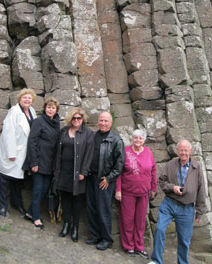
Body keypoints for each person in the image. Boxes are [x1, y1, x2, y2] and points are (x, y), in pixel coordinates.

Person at [148, 140, 206, 264]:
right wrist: (172, 187)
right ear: (177, 151)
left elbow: (201, 189)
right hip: (169, 203)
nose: (183, 153)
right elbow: (162, 182)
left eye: (186, 150)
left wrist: (199, 212)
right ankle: (156, 260)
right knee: (159, 229)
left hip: (187, 207)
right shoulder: (170, 164)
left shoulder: (196, 167)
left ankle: (183, 262)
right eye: (181, 150)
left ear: (190, 151)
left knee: (184, 239)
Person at [0, 88, 37, 217]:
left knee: (18, 180)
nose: (27, 100)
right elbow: (8, 132)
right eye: (25, 98)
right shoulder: (14, 111)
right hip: (12, 151)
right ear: (20, 99)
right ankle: (3, 206)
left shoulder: (32, 112)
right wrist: (11, 153)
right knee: (4, 179)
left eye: (29, 98)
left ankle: (16, 203)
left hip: (23, 152)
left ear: (32, 100)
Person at [86, 111, 125, 251]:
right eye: (101, 120)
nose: (103, 123)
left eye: (106, 121)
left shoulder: (116, 140)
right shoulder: (94, 136)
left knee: (103, 209)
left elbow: (120, 165)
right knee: (91, 207)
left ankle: (107, 239)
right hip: (91, 177)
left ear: (111, 122)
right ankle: (96, 235)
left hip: (104, 180)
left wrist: (109, 178)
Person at [53, 108, 94, 242]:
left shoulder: (87, 133)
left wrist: (83, 171)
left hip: (78, 172)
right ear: (71, 119)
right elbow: (58, 151)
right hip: (64, 171)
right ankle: (66, 224)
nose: (76, 120)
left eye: (79, 118)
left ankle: (75, 227)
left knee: (76, 200)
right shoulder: (64, 131)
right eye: (74, 118)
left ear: (83, 119)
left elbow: (89, 154)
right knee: (65, 198)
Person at [115, 129, 157, 259]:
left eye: (140, 138)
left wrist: (153, 188)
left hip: (143, 192)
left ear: (144, 140)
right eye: (135, 138)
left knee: (140, 221)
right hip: (128, 191)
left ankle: (139, 246)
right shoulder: (126, 151)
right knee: (127, 220)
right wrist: (118, 190)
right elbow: (119, 171)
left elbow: (153, 170)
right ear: (132, 139)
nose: (138, 140)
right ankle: (128, 245)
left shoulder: (148, 152)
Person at [22, 97, 60, 229]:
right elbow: (32, 142)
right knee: (38, 190)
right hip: (39, 161)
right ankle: (36, 217)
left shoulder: (56, 124)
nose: (50, 109)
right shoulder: (38, 122)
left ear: (56, 110)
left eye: (53, 108)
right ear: (45, 108)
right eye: (48, 107)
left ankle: (30, 212)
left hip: (50, 163)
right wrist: (33, 162)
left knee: (44, 191)